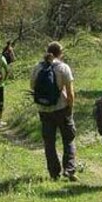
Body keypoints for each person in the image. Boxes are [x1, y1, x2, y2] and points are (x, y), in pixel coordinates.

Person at [30, 41, 77, 182]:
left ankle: (54, 173)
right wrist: (70, 107)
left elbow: (32, 87)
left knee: (49, 142)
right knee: (68, 139)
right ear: (60, 53)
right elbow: (70, 93)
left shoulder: (37, 67)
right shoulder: (63, 67)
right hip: (62, 108)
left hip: (44, 110)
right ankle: (69, 170)